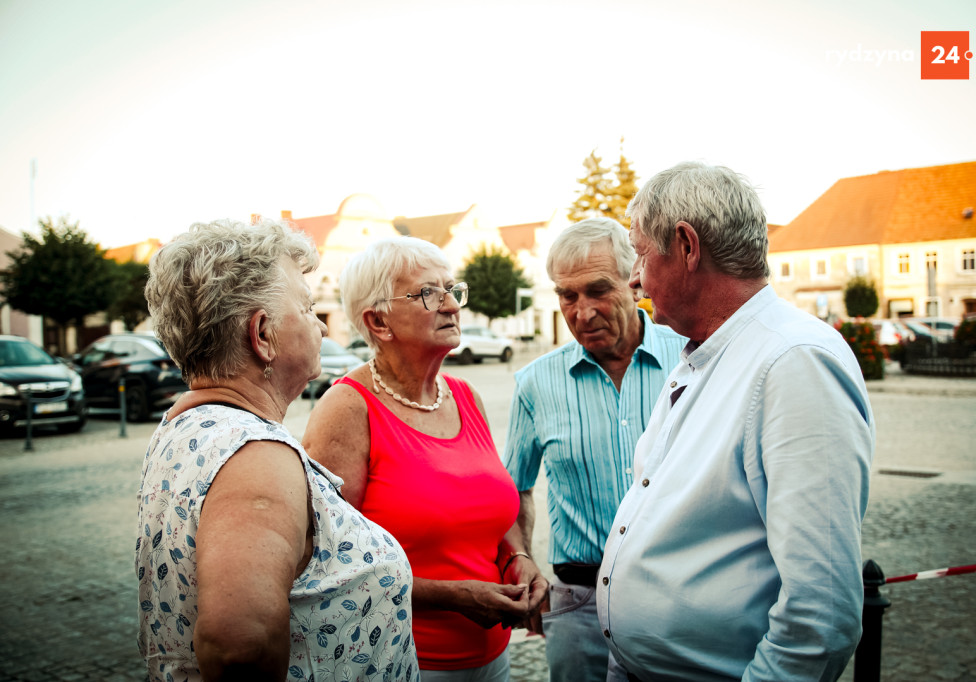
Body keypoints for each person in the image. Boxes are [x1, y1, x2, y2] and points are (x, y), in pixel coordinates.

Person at [597, 162, 875, 681]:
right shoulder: (706, 354)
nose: (633, 277)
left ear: (686, 246)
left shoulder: (793, 361)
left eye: (639, 252)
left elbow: (821, 615)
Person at [136, 219, 418, 681]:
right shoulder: (256, 456)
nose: (322, 327)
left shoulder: (184, 425)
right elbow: (238, 649)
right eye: (307, 309)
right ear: (262, 335)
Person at [302, 236, 547, 681]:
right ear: (378, 321)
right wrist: (455, 597)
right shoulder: (347, 408)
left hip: (492, 658)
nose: (452, 305)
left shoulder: (464, 396)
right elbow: (328, 563)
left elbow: (496, 503)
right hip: (402, 659)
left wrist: (519, 557)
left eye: (453, 289)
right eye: (429, 293)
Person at [502, 217, 687, 681]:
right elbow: (514, 490)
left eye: (598, 290)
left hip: (680, 597)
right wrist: (521, 559)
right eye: (567, 296)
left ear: (635, 282)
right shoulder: (535, 383)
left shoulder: (692, 358)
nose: (581, 313)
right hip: (577, 604)